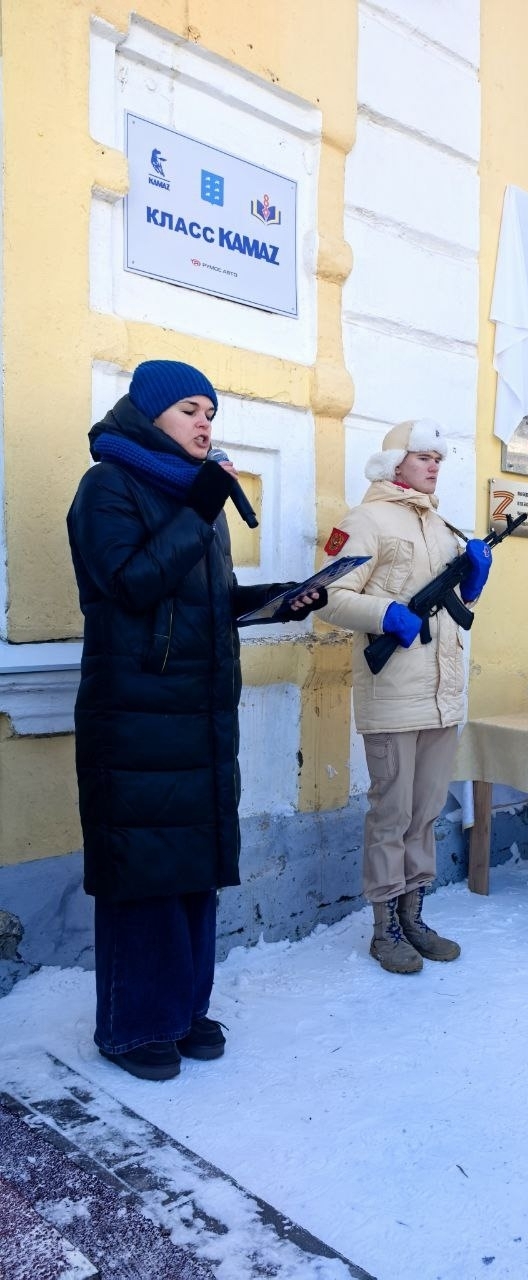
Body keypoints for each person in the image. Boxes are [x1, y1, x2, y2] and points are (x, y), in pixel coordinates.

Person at [67, 361, 324, 1081]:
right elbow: (129, 586)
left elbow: (205, 601)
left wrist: (280, 600)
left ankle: (181, 1010)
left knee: (191, 873)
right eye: (189, 410)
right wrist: (201, 508)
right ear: (149, 414)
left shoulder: (191, 498)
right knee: (144, 873)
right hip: (136, 717)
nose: (205, 423)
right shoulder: (108, 487)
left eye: (210, 412)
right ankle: (131, 1026)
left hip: (198, 716)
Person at [316, 419, 492, 974]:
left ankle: (414, 915)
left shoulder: (441, 525)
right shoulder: (364, 520)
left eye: (438, 459)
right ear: (396, 463)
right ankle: (384, 927)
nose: (434, 466)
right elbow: (328, 595)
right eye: (422, 457)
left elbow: (452, 606)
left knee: (426, 813)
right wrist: (385, 613)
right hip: (392, 693)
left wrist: (472, 583)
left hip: (442, 694)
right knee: (391, 815)